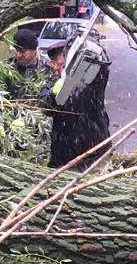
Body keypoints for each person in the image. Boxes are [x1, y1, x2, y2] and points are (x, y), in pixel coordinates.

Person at [38, 38, 112, 170]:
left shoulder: (90, 80)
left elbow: (103, 71)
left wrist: (94, 55)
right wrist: (57, 90)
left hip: (95, 152)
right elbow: (45, 108)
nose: (69, 59)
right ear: (53, 63)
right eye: (63, 55)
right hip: (64, 156)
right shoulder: (50, 86)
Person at [4, 28, 51, 100]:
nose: (18, 55)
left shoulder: (48, 67)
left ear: (34, 49)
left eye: (23, 51)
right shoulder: (8, 67)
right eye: (16, 50)